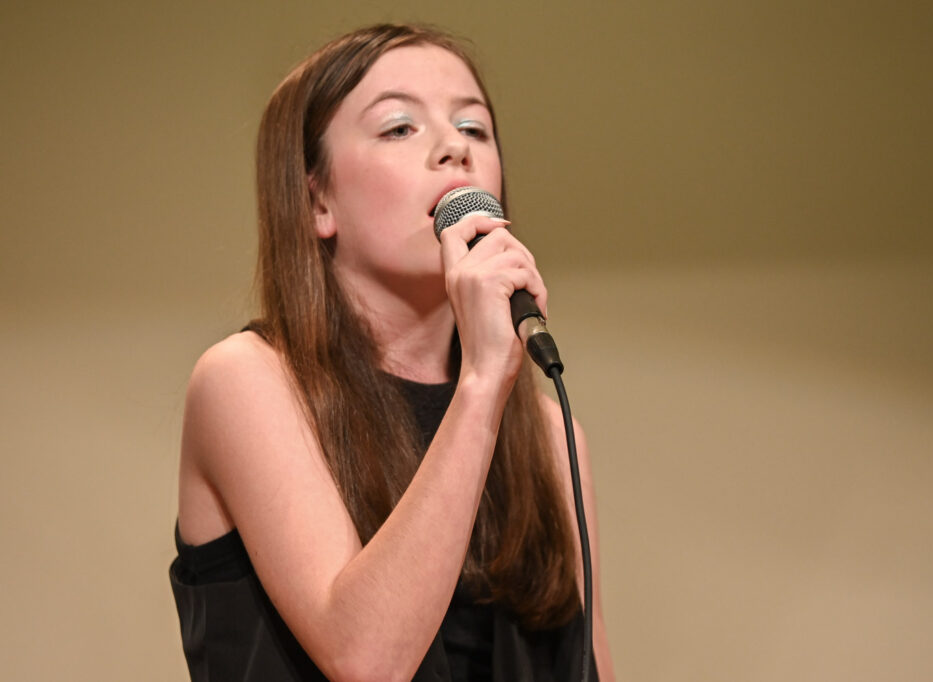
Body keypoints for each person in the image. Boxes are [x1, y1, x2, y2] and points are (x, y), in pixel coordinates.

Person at [170, 23, 614, 682]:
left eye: (474, 128)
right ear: (317, 200)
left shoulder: (550, 436)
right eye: (400, 127)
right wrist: (484, 381)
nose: (454, 149)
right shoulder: (246, 381)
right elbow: (366, 661)